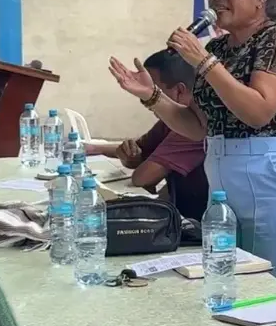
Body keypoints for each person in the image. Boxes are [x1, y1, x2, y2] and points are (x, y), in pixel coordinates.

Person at [109, 0, 276, 292]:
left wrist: (203, 62)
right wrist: (151, 95)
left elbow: (259, 111)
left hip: (271, 181)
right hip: (222, 186)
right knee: (227, 289)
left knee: (275, 295)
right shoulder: (218, 48)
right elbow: (199, 127)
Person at [87, 50, 208, 220]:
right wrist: (96, 148)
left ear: (179, 91)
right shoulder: (170, 122)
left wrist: (139, 161)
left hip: (198, 223)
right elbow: (140, 148)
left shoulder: (193, 127)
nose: (146, 102)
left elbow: (142, 178)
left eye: (151, 92)